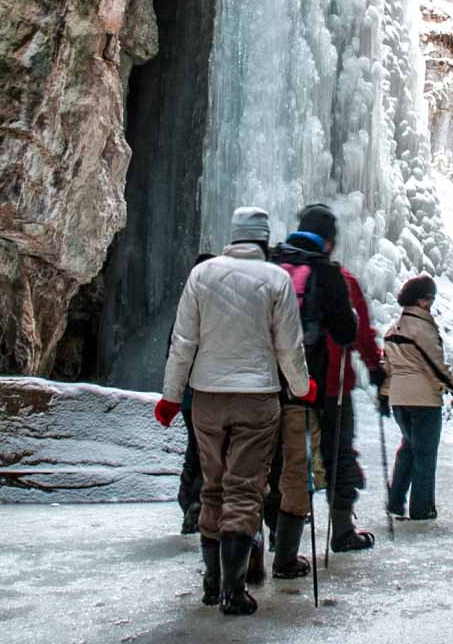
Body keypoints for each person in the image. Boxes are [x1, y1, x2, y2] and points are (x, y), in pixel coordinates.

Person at [155, 207, 316, 617]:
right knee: (244, 489)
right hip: (257, 398)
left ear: (233, 237)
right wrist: (301, 387)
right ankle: (233, 589)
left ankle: (210, 583)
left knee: (213, 486)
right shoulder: (276, 278)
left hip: (206, 397)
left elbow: (183, 342)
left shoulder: (201, 275)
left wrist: (171, 396)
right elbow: (288, 347)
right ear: (263, 240)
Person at [277, 203, 383, 552]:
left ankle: (278, 531)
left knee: (283, 457)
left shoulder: (274, 269)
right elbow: (360, 334)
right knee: (338, 455)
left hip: (283, 385)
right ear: (329, 241)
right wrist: (377, 370)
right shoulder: (339, 278)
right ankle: (341, 528)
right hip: (333, 386)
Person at [378, 274, 453, 521]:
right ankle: (421, 508)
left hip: (399, 399)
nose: (432, 302)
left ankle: (395, 502)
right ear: (422, 300)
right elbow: (433, 364)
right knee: (425, 454)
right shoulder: (423, 328)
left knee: (408, 449)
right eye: (430, 297)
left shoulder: (393, 329)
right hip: (423, 399)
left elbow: (387, 367)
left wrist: (384, 394)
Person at [173, 253, 217, 537]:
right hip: (207, 391)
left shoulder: (187, 305)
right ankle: (197, 503)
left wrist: (173, 392)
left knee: (195, 448)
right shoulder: (213, 307)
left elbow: (175, 348)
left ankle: (187, 498)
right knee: (207, 451)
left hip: (189, 394)